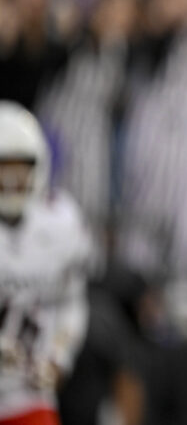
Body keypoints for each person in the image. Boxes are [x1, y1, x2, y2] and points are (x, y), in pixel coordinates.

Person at [0, 101, 91, 425]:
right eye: (2, 169)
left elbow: (70, 301)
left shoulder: (60, 222)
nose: (10, 182)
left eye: (18, 169)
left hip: (26, 393)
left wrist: (58, 357)